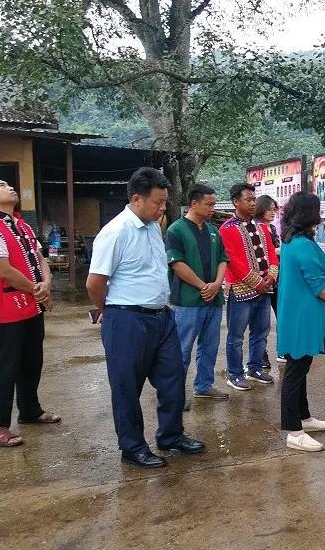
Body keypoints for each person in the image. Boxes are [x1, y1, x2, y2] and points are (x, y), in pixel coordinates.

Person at [86, 167, 204, 469]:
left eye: (165, 202)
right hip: (127, 319)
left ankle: (171, 436)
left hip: (161, 317)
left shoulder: (153, 225)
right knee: (126, 386)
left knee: (173, 378)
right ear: (137, 199)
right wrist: (108, 311)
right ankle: (132, 447)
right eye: (158, 202)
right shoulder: (115, 232)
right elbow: (94, 283)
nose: (163, 208)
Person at [0, 179, 60, 448]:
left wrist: (46, 284)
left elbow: (40, 259)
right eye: (1, 185)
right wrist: (37, 290)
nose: (10, 187)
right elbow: (3, 270)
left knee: (31, 361)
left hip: (32, 304)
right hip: (5, 308)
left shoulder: (22, 225)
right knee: (2, 367)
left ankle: (30, 410)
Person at [276, 192, 325, 452]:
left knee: (299, 369)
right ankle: (294, 431)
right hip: (302, 315)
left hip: (297, 313)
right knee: (295, 372)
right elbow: (316, 282)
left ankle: (304, 417)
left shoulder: (292, 240)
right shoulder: (301, 244)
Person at [166, 183, 229, 409]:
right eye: (209, 204)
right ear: (194, 203)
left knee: (210, 346)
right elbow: (176, 263)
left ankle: (203, 386)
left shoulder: (213, 231)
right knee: (182, 349)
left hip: (214, 299)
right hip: (188, 301)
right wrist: (204, 286)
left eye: (214, 204)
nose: (213, 208)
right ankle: (175, 394)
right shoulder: (176, 230)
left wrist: (217, 284)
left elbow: (223, 259)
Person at [219, 183, 279, 390]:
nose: (253, 203)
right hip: (241, 290)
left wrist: (271, 276)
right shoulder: (227, 229)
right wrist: (257, 282)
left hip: (264, 288)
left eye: (254, 199)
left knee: (261, 331)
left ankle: (254, 368)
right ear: (236, 202)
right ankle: (234, 374)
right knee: (236, 336)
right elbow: (233, 261)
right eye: (248, 200)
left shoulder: (262, 227)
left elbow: (271, 254)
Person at [254, 194, 285, 366]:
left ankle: (283, 350)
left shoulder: (272, 228)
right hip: (261, 279)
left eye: (274, 209)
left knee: (282, 315)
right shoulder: (255, 228)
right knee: (261, 322)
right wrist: (278, 251)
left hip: (278, 277)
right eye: (269, 209)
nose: (272, 213)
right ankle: (261, 355)